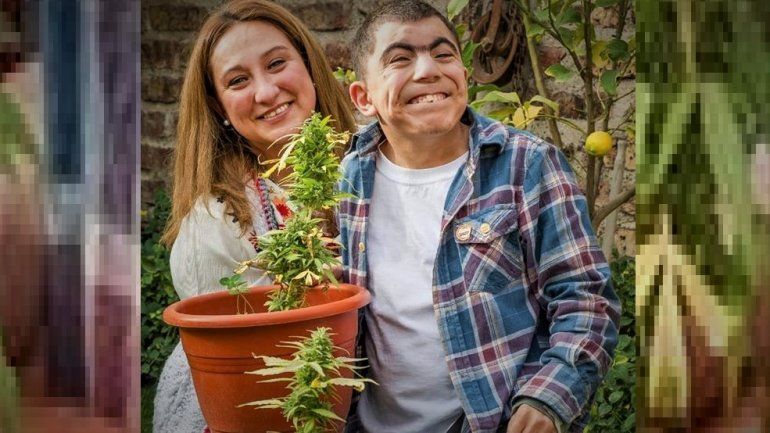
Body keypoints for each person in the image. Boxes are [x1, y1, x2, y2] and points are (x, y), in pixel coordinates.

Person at [336, 1, 620, 432]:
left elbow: (586, 300)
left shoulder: (527, 165)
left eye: (443, 53)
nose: (428, 69)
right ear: (364, 97)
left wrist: (548, 397)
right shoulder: (346, 178)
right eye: (400, 58)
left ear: (463, 75)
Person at [153, 1, 355, 432]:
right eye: (239, 80)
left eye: (277, 63)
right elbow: (255, 366)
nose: (265, 92)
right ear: (219, 106)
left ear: (308, 64)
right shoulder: (215, 222)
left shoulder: (377, 164)